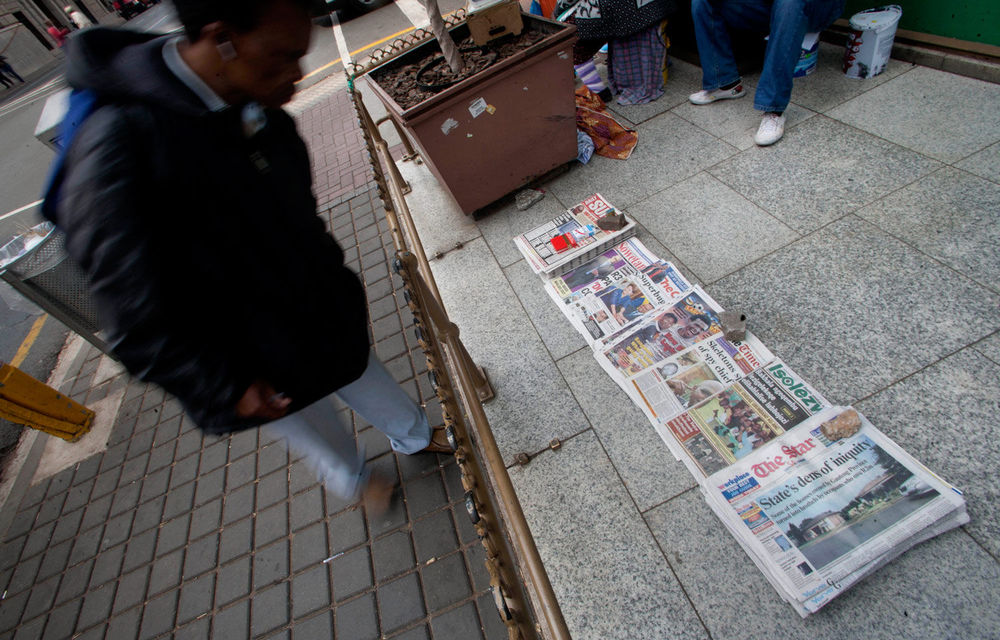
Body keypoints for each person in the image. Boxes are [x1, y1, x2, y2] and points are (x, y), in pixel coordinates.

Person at [43, 0, 451, 513]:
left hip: (311, 304)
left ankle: (413, 436)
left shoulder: (245, 98)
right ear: (222, 37)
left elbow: (292, 203)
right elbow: (131, 319)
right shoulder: (118, 148)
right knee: (307, 420)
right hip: (244, 350)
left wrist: (330, 279)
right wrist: (222, 385)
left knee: (360, 368)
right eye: (280, 57)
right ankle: (353, 479)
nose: (296, 76)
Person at [688, 0, 844, 146]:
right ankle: (724, 82)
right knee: (703, 1)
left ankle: (773, 110)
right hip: (771, 5)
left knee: (789, 3)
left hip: (816, 7)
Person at [561, 0, 676, 105]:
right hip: (648, 8)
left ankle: (600, 92)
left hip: (624, 11)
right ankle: (599, 90)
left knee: (569, 38)